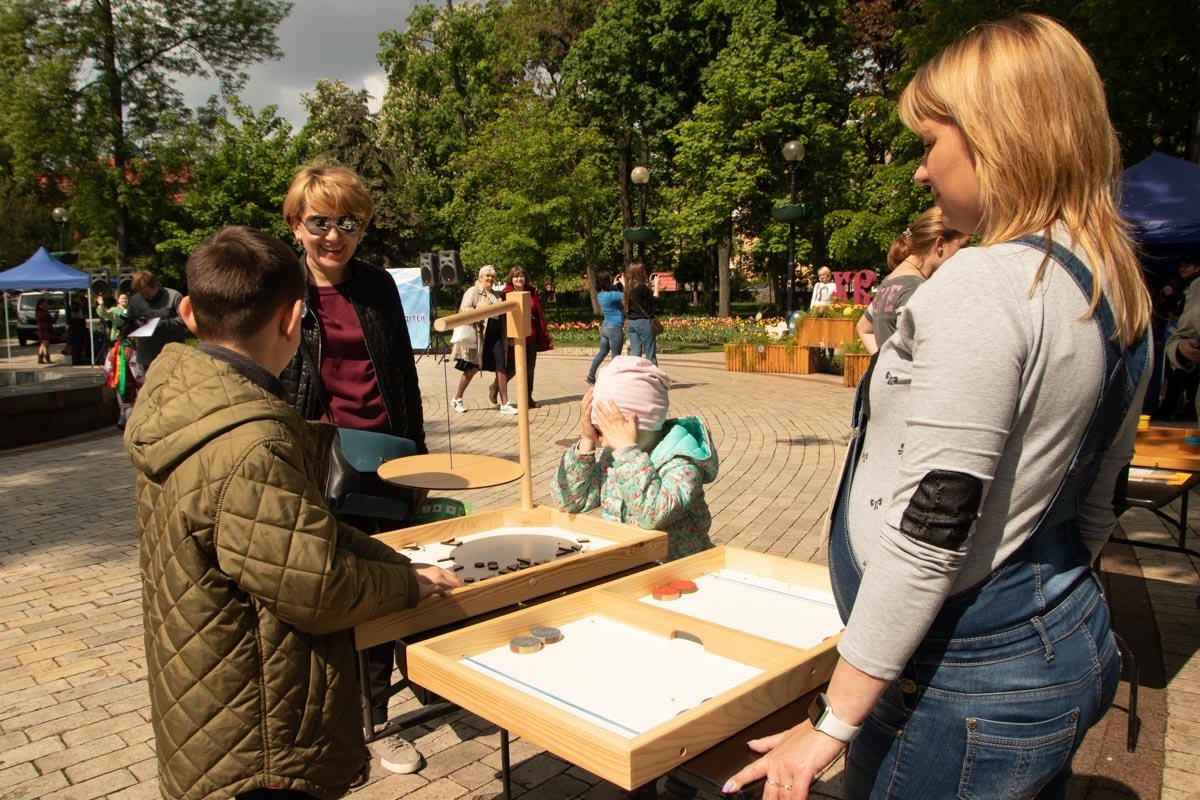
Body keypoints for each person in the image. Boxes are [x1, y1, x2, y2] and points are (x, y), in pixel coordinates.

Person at [723, 15, 1150, 800]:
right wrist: (1038, 606)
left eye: (929, 142)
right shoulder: (1110, 283)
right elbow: (1099, 498)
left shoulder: (987, 284)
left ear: (998, 136)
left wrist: (831, 722)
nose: (920, 172)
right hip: (1058, 639)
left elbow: (933, 527)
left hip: (956, 681)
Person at [125, 225, 460, 800]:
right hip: (260, 737)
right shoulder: (248, 443)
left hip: (216, 703)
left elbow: (303, 538)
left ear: (188, 312)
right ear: (293, 319)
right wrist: (405, 586)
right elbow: (317, 586)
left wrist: (395, 563)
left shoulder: (185, 404)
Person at [276, 163, 433, 775]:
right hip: (315, 462)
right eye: (320, 222)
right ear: (296, 224)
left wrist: (417, 458)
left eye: (349, 223)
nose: (334, 236)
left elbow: (403, 374)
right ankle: (318, 718)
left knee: (382, 586)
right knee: (318, 589)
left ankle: (376, 720)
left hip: (383, 457)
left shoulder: (377, 286)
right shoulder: (281, 285)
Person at [552, 355, 719, 560]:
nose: (604, 442)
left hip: (679, 567)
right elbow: (570, 501)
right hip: (630, 561)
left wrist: (626, 452)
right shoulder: (615, 457)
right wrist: (587, 440)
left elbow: (653, 515)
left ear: (642, 423)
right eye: (598, 430)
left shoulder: (682, 463)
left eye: (607, 430)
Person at [856, 208, 968, 354]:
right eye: (963, 247)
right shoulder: (915, 289)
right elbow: (914, 350)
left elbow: (864, 328)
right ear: (940, 245)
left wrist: (880, 359)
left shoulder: (891, 280)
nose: (967, 253)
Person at [450, 265, 516, 414]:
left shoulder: (496, 294)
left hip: (496, 335)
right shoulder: (473, 291)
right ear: (480, 277)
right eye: (487, 276)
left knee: (501, 368)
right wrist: (481, 308)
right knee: (472, 368)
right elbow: (464, 310)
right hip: (479, 337)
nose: (490, 278)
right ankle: (457, 398)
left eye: (492, 276)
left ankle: (505, 403)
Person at [491, 266, 553, 407]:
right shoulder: (506, 293)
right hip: (514, 336)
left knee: (530, 368)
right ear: (511, 279)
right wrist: (509, 338)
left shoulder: (531, 291)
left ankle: (528, 398)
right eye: (516, 276)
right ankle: (496, 386)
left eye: (522, 276)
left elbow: (537, 313)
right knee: (512, 368)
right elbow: (503, 318)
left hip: (530, 334)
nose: (519, 279)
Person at [1156, 256, 1200, 420]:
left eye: (1187, 266)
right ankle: (1172, 409)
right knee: (1177, 378)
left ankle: (1185, 410)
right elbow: (1183, 332)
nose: (1183, 269)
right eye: (1181, 266)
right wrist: (1181, 347)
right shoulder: (1194, 287)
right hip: (1188, 354)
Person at [123, 270, 188, 372]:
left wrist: (158, 323)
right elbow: (128, 322)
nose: (144, 296)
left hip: (173, 355)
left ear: (154, 286)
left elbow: (183, 321)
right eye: (141, 293)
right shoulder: (135, 300)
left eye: (146, 292)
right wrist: (137, 323)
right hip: (147, 357)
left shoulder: (174, 296)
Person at [586, 271, 625, 385]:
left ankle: (591, 375)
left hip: (605, 327)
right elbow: (628, 295)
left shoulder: (601, 295)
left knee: (602, 353)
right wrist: (623, 283)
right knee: (616, 357)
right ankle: (614, 382)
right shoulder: (612, 295)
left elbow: (611, 292)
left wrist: (614, 284)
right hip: (614, 328)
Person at [623, 262, 658, 365]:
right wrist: (656, 285)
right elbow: (655, 300)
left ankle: (634, 373)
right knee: (650, 353)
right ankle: (654, 374)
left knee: (635, 353)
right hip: (644, 322)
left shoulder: (628, 287)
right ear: (640, 273)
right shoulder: (642, 287)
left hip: (632, 322)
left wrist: (649, 286)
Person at [35, 298, 54, 364]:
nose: (46, 304)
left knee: (43, 344)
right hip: (44, 329)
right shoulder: (40, 311)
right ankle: (47, 359)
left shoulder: (44, 311)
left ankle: (40, 359)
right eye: (45, 302)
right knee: (46, 345)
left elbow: (51, 319)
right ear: (41, 303)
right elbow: (42, 318)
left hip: (46, 328)